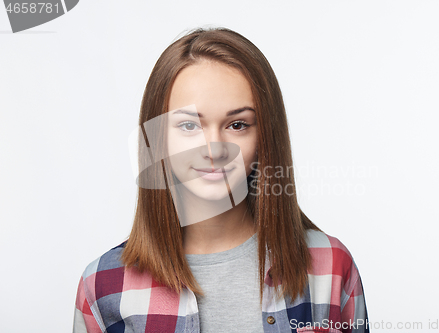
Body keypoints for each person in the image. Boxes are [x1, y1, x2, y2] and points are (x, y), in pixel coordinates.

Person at [73, 27, 370, 333]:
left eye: (238, 124)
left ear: (265, 137)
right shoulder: (103, 285)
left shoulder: (332, 266)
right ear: (158, 139)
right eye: (189, 125)